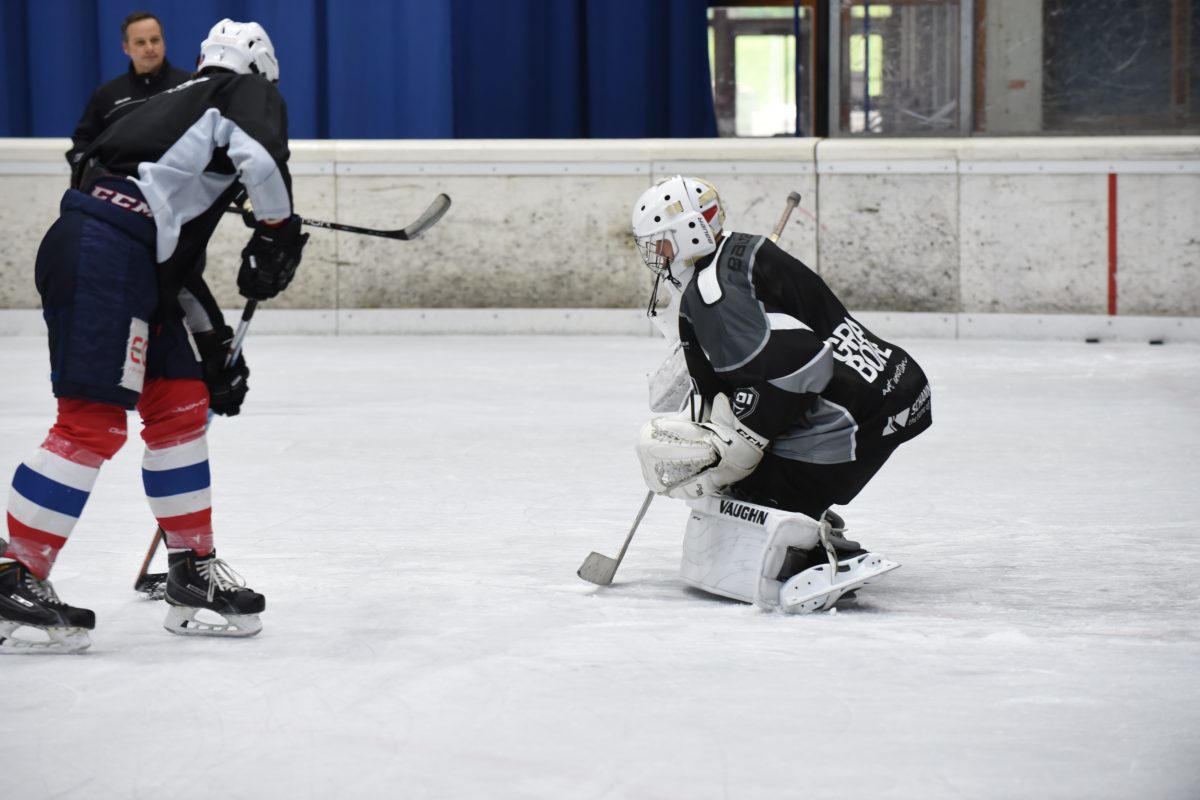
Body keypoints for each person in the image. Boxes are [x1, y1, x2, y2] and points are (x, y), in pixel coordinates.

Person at [0, 19, 308, 654]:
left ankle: (190, 570)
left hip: (124, 256)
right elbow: (259, 149)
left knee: (181, 405)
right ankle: (13, 572)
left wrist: (214, 343)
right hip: (106, 255)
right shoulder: (238, 91)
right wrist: (277, 229)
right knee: (91, 421)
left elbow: (173, 266)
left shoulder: (161, 115)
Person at [630, 176, 932, 614]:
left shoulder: (714, 294)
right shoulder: (741, 250)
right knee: (747, 470)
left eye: (660, 245)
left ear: (689, 233)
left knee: (741, 485)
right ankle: (802, 513)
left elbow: (802, 365)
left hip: (852, 415)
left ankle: (810, 553)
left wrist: (744, 442)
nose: (656, 258)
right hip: (891, 385)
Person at [66, 12, 192, 170]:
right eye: (140, 42)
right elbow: (83, 143)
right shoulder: (107, 95)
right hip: (123, 186)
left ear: (164, 43)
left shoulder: (191, 85)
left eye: (155, 40)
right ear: (126, 48)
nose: (149, 48)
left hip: (180, 185)